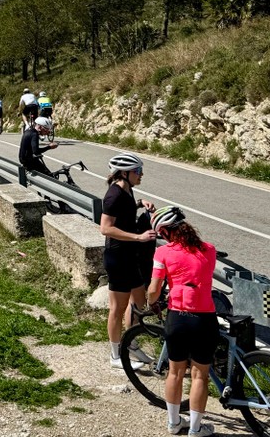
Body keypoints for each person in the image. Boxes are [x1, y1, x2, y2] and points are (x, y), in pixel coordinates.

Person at [147, 206, 218, 437]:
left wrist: (150, 303)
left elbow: (155, 289)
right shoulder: (209, 250)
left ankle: (173, 423)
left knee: (175, 373)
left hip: (177, 317)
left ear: (165, 231)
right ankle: (196, 429)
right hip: (204, 318)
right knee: (200, 375)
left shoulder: (163, 253)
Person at [99, 152, 157, 369]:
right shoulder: (113, 195)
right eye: (138, 171)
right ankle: (115, 356)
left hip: (130, 255)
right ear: (125, 173)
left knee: (139, 299)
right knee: (117, 307)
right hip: (117, 257)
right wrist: (138, 237)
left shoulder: (127, 190)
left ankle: (129, 343)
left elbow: (125, 213)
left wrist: (140, 203)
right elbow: (105, 228)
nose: (141, 175)